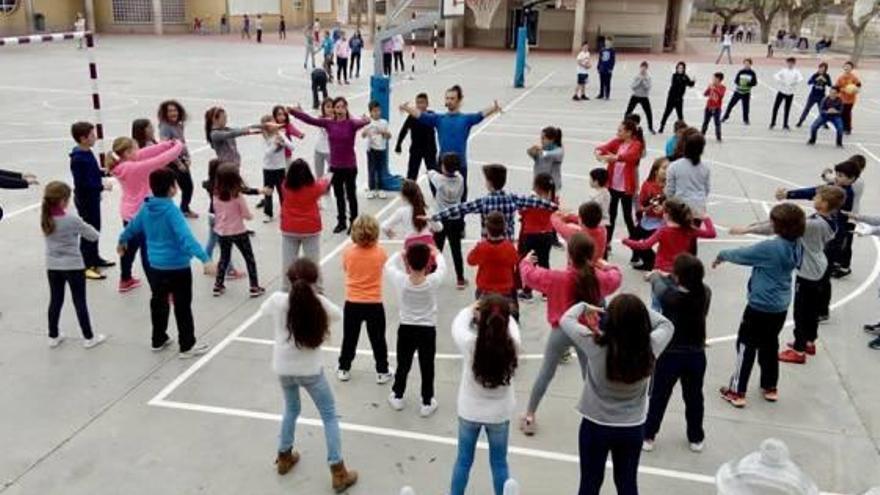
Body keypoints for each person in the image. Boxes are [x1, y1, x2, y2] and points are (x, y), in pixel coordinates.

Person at [260, 259, 358, 492]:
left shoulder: (277, 301)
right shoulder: (320, 304)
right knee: (329, 415)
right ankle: (338, 471)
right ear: (315, 282)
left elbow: (262, 311)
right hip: (310, 371)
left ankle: (284, 456)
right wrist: (316, 299)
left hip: (283, 368)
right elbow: (339, 315)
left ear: (289, 280)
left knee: (291, 410)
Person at [560, 295, 673, 494]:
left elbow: (566, 319)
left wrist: (585, 305)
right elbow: (666, 324)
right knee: (627, 483)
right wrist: (637, 312)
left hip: (595, 423)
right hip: (631, 426)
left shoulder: (595, 343)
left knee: (589, 483)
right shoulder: (650, 346)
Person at [519, 233, 623, 436]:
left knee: (546, 372)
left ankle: (530, 414)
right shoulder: (598, 279)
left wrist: (526, 262)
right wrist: (606, 266)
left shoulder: (557, 278)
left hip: (562, 330)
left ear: (569, 254)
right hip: (586, 331)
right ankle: (598, 414)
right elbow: (616, 278)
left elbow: (530, 276)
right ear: (591, 255)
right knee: (589, 374)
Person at [730, 185, 844, 363]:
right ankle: (809, 341)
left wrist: (746, 230)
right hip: (819, 265)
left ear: (824, 203)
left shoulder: (813, 225)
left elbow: (779, 227)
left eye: (816, 197)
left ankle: (799, 350)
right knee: (812, 309)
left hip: (808, 271)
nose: (813, 199)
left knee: (802, 311)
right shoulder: (829, 219)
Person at [716, 203, 805, 408]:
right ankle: (770, 386)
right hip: (781, 305)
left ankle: (737, 390)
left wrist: (722, 255)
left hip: (760, 305)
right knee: (769, 343)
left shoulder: (771, 248)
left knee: (745, 345)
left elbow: (742, 254)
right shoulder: (798, 243)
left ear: (779, 226)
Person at [119, 168, 215, 357]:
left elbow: (132, 227)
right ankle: (186, 345)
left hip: (156, 265)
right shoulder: (172, 211)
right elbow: (186, 238)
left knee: (158, 301)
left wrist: (122, 240)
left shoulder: (146, 208)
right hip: (178, 266)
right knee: (182, 305)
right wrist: (205, 259)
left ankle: (158, 338)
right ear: (172, 188)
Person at [449, 295, 520, 495]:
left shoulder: (470, 344)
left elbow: (457, 325)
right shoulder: (512, 344)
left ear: (481, 319)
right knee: (499, 462)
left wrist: (471, 308)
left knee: (463, 460)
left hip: (469, 410)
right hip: (499, 414)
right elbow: (512, 326)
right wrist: (503, 312)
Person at [643, 254, 710, 453]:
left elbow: (657, 284)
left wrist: (656, 275)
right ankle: (696, 437)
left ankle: (648, 435)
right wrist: (669, 276)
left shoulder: (670, 298)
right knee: (694, 396)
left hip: (670, 354)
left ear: (679, 277)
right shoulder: (705, 292)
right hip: (696, 353)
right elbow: (675, 282)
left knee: (659, 396)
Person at [107, 136, 184, 293]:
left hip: (128, 214)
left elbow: (146, 152)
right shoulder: (134, 168)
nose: (138, 151)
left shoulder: (122, 165)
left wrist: (166, 144)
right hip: (143, 215)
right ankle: (158, 290)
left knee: (129, 248)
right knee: (148, 255)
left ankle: (125, 279)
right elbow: (159, 160)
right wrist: (178, 146)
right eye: (134, 148)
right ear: (127, 152)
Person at [400, 85, 502, 201]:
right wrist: (407, 108)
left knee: (461, 198)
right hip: (443, 165)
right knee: (441, 197)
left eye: (452, 98)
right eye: (447, 98)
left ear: (459, 100)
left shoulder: (466, 119)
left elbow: (480, 115)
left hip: (460, 165)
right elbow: (421, 116)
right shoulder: (439, 119)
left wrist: (493, 107)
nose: (449, 101)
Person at [289, 99, 370, 234]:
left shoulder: (351, 124)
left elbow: (364, 122)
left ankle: (354, 223)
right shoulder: (328, 123)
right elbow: (310, 120)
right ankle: (341, 221)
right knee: (338, 195)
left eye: (343, 107)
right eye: (337, 107)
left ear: (346, 108)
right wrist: (293, 112)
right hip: (335, 166)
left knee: (351, 195)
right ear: (334, 109)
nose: (340, 109)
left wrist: (366, 120)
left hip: (350, 166)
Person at [385, 243, 447, 417]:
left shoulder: (401, 280)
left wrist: (401, 253)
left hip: (406, 327)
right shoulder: (432, 281)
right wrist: (436, 253)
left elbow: (388, 265)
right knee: (427, 365)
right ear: (428, 263)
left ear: (408, 262)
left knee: (403, 363)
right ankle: (427, 401)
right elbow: (443, 267)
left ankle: (398, 395)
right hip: (427, 329)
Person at [41, 181, 105, 349]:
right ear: (63, 200)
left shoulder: (45, 218)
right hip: (73, 265)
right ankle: (88, 337)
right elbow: (93, 235)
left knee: (55, 300)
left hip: (53, 265)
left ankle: (53, 335)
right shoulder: (71, 219)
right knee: (79, 301)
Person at [431, 164, 557, 240]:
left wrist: (434, 217)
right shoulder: (512, 198)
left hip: (488, 241)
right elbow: (535, 202)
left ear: (489, 183)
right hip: (507, 242)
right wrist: (554, 206)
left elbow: (459, 208)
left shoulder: (484, 202)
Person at [337, 215, 392, 383]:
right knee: (378, 339)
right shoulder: (381, 253)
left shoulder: (348, 252)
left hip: (352, 302)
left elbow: (346, 269)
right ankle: (382, 370)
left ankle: (344, 368)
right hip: (374, 302)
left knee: (349, 338)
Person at [211, 164, 264, 298]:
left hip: (222, 231)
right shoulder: (237, 196)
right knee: (249, 258)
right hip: (238, 231)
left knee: (224, 258)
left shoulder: (215, 195)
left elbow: (216, 211)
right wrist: (251, 216)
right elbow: (246, 214)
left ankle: (218, 285)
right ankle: (254, 286)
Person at [623, 199, 716, 274]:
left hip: (662, 269)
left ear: (668, 215)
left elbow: (645, 245)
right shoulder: (689, 229)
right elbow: (711, 234)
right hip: (679, 269)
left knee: (659, 295)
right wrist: (706, 218)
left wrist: (626, 241)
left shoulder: (663, 231)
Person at [69, 121, 113, 280]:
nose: (95, 137)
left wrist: (104, 172)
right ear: (83, 138)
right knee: (89, 231)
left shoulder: (87, 152)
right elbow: (82, 183)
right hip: (86, 200)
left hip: (92, 199)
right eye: (92, 135)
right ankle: (86, 265)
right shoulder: (78, 158)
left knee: (96, 229)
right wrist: (101, 187)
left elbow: (92, 172)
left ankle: (94, 257)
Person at [594, 119, 644, 244]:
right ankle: (607, 242)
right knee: (611, 215)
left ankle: (635, 245)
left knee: (628, 217)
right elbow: (603, 147)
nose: (618, 133)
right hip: (613, 185)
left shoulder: (636, 144)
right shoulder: (617, 142)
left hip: (626, 187)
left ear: (629, 132)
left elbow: (630, 156)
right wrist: (598, 152)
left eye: (620, 130)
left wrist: (614, 157)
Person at [467, 212, 520, 315]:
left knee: (482, 316)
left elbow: (470, 261)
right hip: (505, 290)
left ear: (487, 229)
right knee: (510, 317)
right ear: (504, 228)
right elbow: (516, 261)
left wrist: (477, 247)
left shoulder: (482, 247)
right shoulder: (509, 247)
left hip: (485, 289)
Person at [516, 174, 557, 301]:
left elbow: (521, 211)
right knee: (545, 261)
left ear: (537, 187)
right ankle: (546, 291)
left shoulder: (531, 200)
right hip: (547, 234)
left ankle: (528, 291)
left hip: (531, 234)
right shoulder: (553, 200)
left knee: (530, 262)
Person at [429, 153, 467, 289]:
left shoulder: (438, 179)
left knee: (436, 249)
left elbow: (430, 171)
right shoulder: (461, 179)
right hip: (455, 218)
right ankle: (460, 279)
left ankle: (432, 275)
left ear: (443, 167)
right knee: (456, 249)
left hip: (441, 220)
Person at [157, 100, 197, 219]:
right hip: (172, 162)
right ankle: (177, 210)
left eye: (175, 110)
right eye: (170, 111)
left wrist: (188, 157)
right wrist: (179, 163)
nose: (173, 113)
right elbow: (167, 147)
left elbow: (182, 142)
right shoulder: (165, 127)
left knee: (187, 186)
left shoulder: (179, 125)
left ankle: (184, 208)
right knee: (178, 187)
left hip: (182, 159)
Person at [629, 158, 668, 270]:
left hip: (662, 222)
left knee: (647, 242)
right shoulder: (647, 185)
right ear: (656, 170)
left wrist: (663, 209)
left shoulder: (670, 187)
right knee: (633, 239)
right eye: (664, 168)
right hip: (648, 219)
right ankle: (650, 261)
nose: (667, 171)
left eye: (669, 169)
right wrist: (643, 209)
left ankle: (653, 262)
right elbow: (641, 203)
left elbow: (674, 204)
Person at [665, 131, 711, 219]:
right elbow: (706, 190)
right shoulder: (705, 168)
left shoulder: (674, 166)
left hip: (680, 208)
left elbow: (670, 191)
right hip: (698, 209)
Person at [259, 115, 294, 222]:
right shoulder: (265, 138)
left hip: (280, 168)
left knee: (282, 192)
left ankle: (285, 212)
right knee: (268, 191)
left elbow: (292, 147)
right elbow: (267, 153)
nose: (274, 125)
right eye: (270, 124)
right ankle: (268, 213)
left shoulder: (281, 134)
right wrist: (275, 144)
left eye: (273, 122)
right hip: (268, 169)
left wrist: (283, 141)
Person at [396, 93, 438, 181]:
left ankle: (436, 193)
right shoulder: (412, 117)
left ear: (427, 104)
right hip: (416, 149)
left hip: (429, 149)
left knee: (433, 174)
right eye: (418, 103)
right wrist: (398, 144)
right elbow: (404, 130)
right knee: (412, 174)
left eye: (422, 102)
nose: (420, 105)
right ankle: (409, 194)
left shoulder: (432, 116)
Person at [363, 101, 393, 199]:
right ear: (370, 112)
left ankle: (380, 188)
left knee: (380, 169)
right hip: (371, 149)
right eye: (374, 111)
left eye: (378, 110)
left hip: (381, 149)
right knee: (371, 169)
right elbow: (363, 135)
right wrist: (366, 131)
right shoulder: (368, 123)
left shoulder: (384, 122)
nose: (377, 113)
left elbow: (389, 136)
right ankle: (371, 188)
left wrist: (383, 132)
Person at [658, 62, 694, 133]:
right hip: (671, 98)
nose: (680, 69)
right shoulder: (674, 76)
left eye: (681, 68)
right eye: (678, 68)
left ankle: (683, 129)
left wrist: (693, 82)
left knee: (680, 115)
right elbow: (677, 83)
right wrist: (685, 81)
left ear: (684, 69)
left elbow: (690, 84)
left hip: (679, 99)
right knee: (667, 113)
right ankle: (661, 126)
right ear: (676, 68)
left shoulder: (685, 76)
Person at [770, 57, 804, 130]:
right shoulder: (783, 70)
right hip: (781, 91)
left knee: (787, 109)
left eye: (792, 63)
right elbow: (775, 76)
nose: (790, 64)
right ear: (787, 63)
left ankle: (785, 124)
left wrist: (795, 82)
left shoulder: (796, 72)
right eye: (789, 63)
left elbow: (801, 78)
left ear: (794, 64)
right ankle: (773, 122)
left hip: (790, 93)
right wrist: (780, 81)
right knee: (776, 107)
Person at [527, 126, 564, 190]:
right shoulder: (540, 150)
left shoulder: (559, 151)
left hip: (551, 188)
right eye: (541, 138)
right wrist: (531, 151)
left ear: (552, 140)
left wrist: (541, 152)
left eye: (543, 139)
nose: (541, 141)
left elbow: (551, 154)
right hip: (538, 186)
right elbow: (531, 153)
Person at [722, 58, 757, 125]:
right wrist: (739, 83)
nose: (746, 65)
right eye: (745, 63)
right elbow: (736, 80)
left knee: (745, 107)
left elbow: (754, 83)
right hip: (738, 92)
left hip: (746, 93)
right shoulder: (741, 72)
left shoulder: (752, 73)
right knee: (730, 105)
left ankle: (746, 120)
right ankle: (725, 117)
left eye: (748, 64)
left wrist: (748, 84)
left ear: (750, 64)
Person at [796, 62, 832, 127]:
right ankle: (800, 121)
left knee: (822, 110)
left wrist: (825, 80)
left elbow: (830, 84)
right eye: (820, 68)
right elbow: (809, 82)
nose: (821, 70)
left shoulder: (827, 76)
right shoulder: (815, 75)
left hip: (821, 96)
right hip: (813, 95)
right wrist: (815, 79)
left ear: (825, 70)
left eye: (823, 69)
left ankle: (824, 123)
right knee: (807, 109)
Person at [624, 61, 655, 134]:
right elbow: (633, 86)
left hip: (644, 97)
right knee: (628, 111)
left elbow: (648, 87)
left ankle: (650, 127)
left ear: (647, 68)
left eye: (644, 68)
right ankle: (624, 124)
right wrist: (639, 80)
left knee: (648, 112)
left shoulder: (648, 77)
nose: (643, 69)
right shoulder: (636, 76)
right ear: (640, 68)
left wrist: (643, 81)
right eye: (642, 68)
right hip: (635, 96)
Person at [836, 61, 862, 134]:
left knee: (847, 113)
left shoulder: (854, 77)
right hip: (842, 98)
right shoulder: (841, 77)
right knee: (842, 113)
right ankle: (843, 127)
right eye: (846, 66)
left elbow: (859, 85)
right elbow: (837, 87)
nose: (847, 68)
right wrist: (843, 90)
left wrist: (856, 90)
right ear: (844, 67)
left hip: (850, 99)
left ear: (852, 68)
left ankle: (848, 129)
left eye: (849, 67)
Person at [700, 72, 726, 142]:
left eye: (714, 78)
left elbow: (721, 95)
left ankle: (718, 137)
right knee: (705, 122)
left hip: (717, 108)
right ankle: (701, 136)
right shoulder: (711, 86)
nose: (713, 79)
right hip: (708, 107)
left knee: (717, 123)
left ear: (718, 79)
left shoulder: (722, 87)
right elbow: (705, 94)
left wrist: (714, 88)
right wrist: (708, 88)